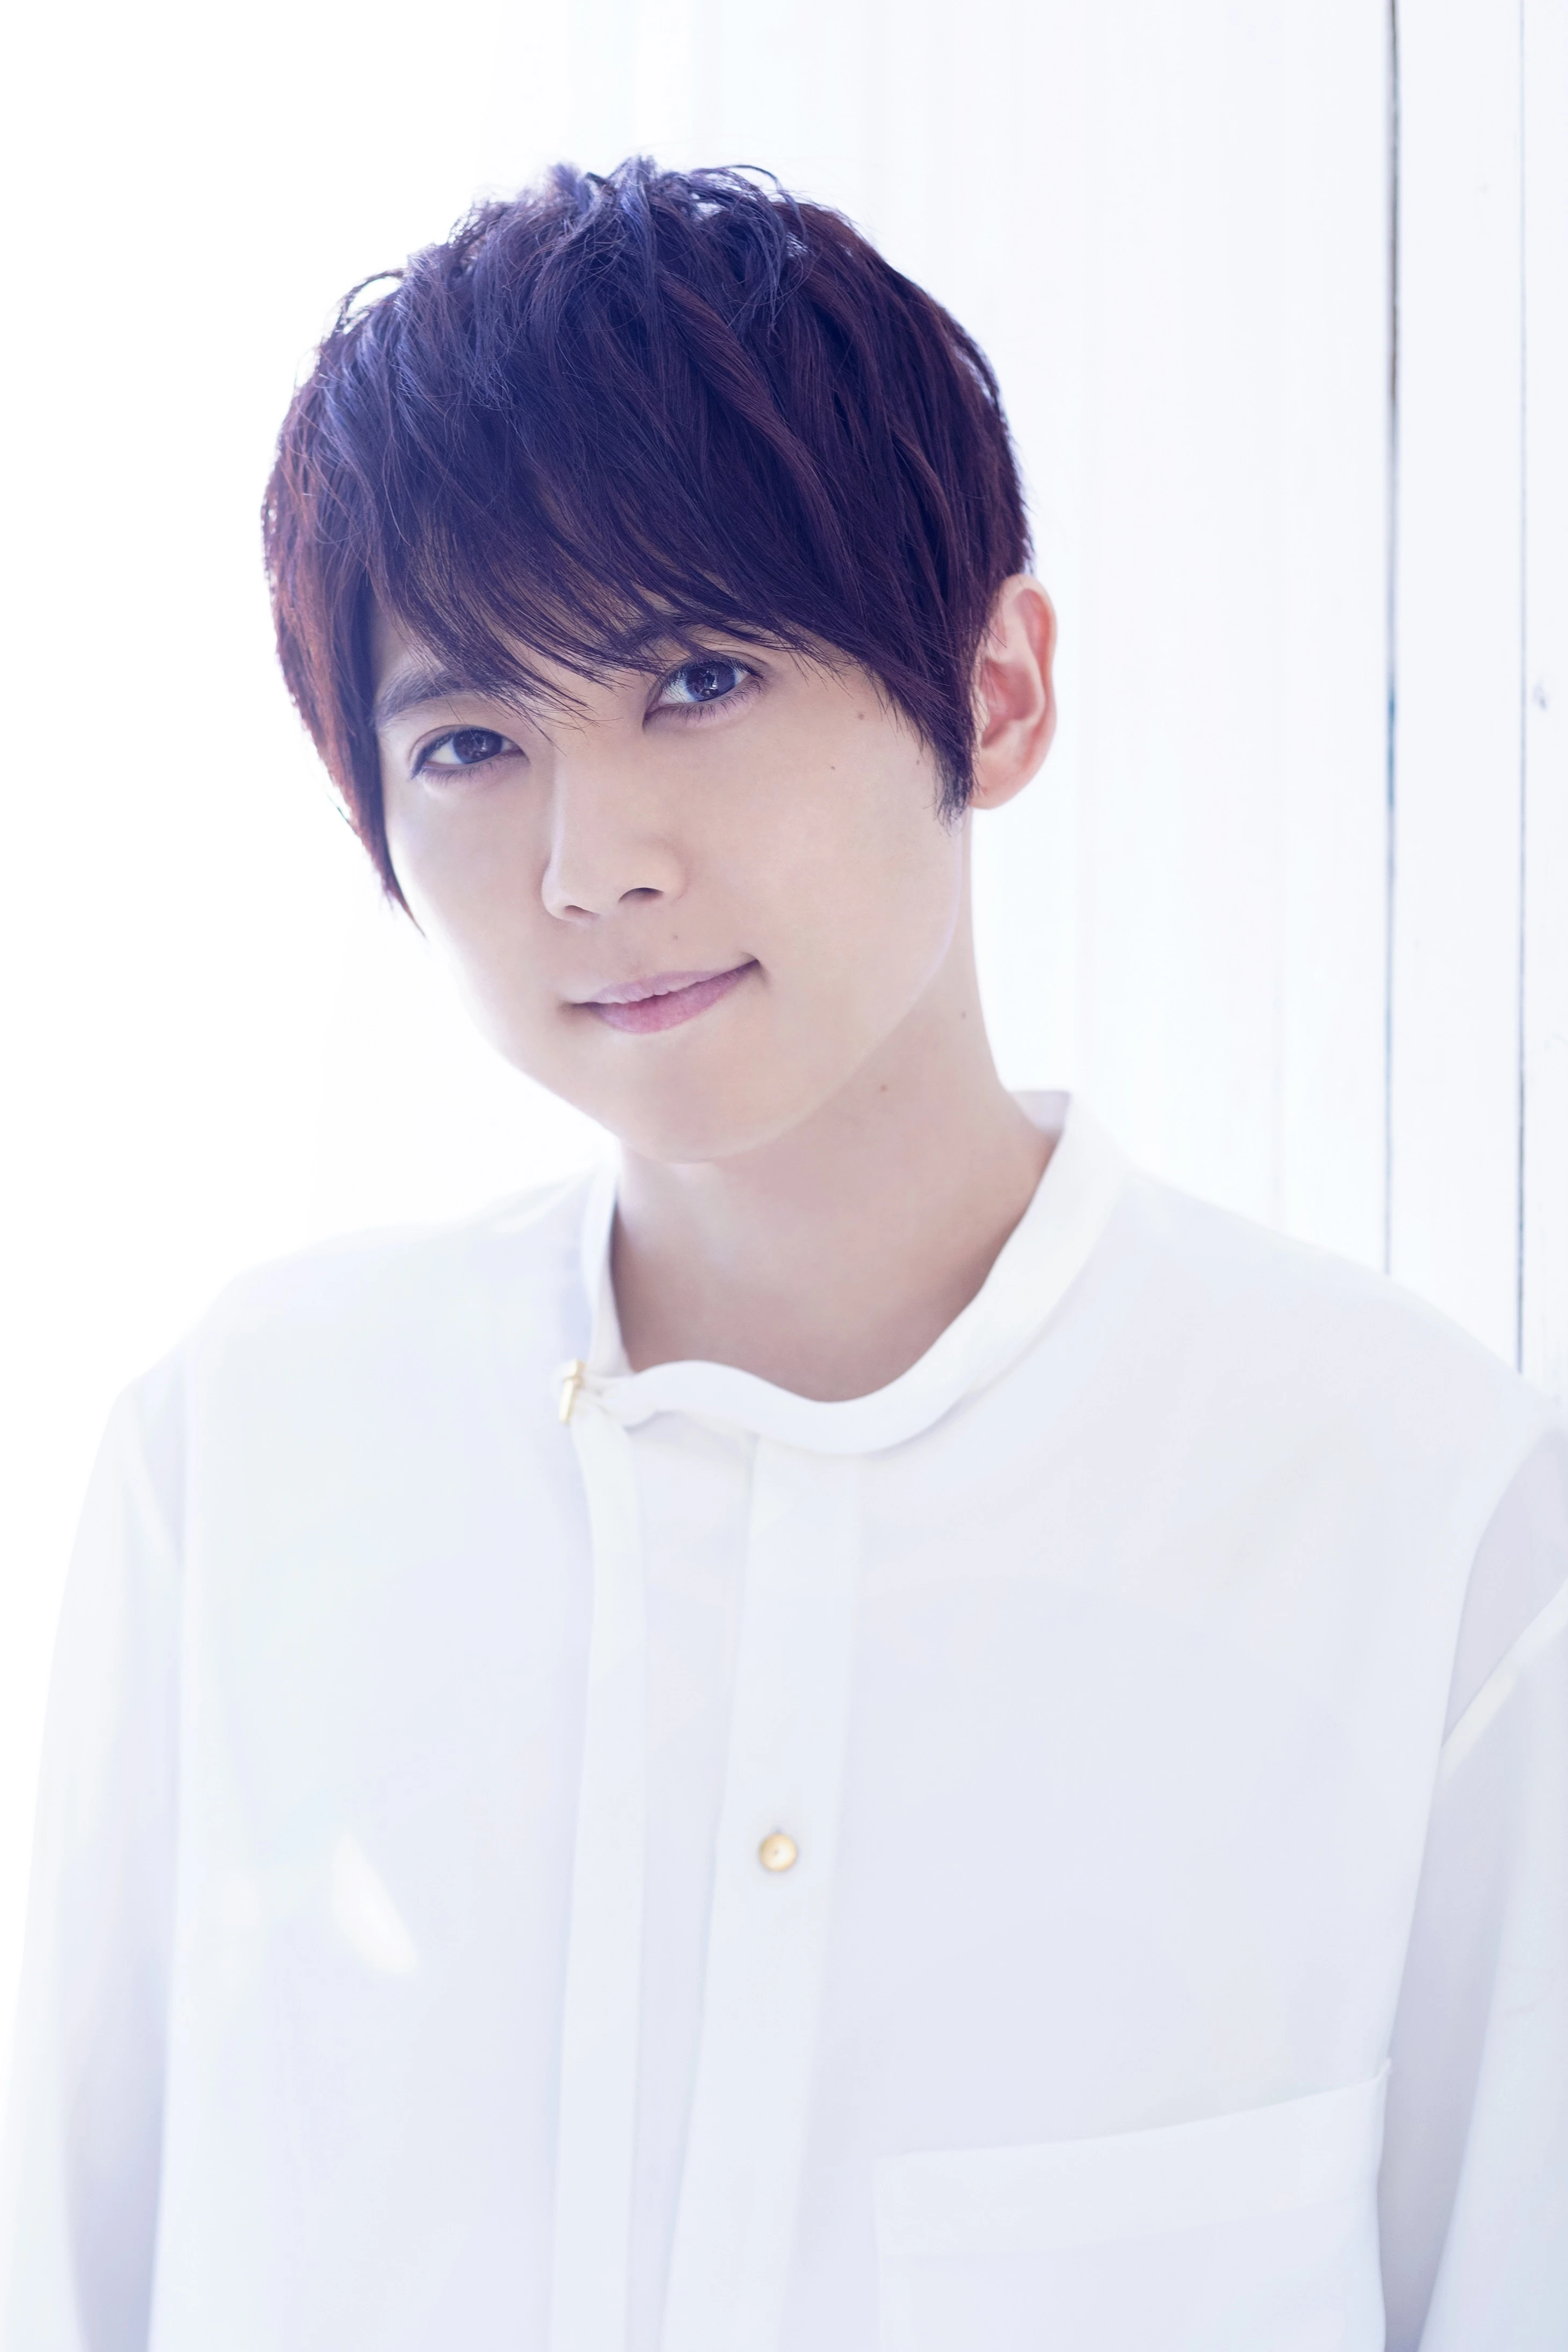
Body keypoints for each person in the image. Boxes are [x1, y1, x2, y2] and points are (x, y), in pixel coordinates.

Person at [1, 157, 1564, 2352]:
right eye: (472, 741)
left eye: (702, 675)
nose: (589, 863)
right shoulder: (240, 1456)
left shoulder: (1416, 1508)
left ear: (994, 692)